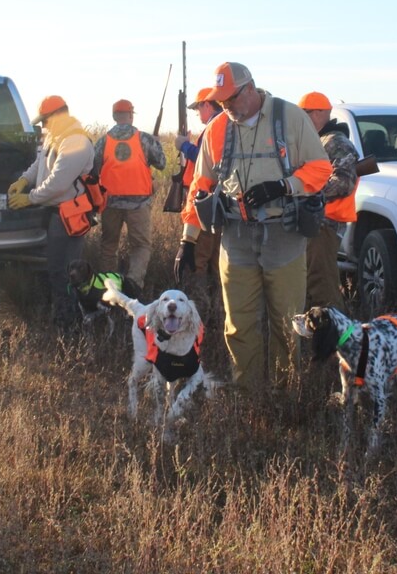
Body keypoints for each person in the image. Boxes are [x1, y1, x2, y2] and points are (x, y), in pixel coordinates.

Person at [174, 62, 332, 393]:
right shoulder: (218, 128)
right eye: (221, 100)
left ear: (250, 88)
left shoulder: (290, 118)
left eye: (231, 98)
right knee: (239, 324)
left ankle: (285, 394)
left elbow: (321, 168)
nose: (226, 106)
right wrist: (188, 240)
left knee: (286, 322)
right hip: (235, 237)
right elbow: (201, 186)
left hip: (283, 234)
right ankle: (248, 395)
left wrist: (284, 186)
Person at [7, 95, 96, 328]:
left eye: (45, 121)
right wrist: (24, 180)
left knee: (68, 272)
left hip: (68, 216)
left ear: (58, 115)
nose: (44, 126)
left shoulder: (76, 141)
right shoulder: (55, 137)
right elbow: (40, 163)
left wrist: (29, 198)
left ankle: (70, 324)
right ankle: (63, 316)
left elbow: (58, 183)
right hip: (54, 213)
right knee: (56, 269)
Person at [91, 99, 166, 291]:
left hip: (110, 203)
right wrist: (157, 144)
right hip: (139, 204)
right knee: (140, 246)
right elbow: (161, 163)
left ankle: (109, 289)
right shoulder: (144, 139)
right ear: (131, 115)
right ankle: (132, 285)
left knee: (109, 246)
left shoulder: (103, 141)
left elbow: (93, 170)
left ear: (114, 116)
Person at [297, 91, 360, 311]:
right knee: (312, 282)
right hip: (315, 221)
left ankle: (338, 330)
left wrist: (304, 192)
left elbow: (344, 182)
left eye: (303, 114)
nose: (300, 120)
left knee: (322, 286)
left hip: (325, 223)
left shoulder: (336, 142)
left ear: (318, 113)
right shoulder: (320, 141)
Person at [173, 87, 223, 323]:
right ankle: (219, 313)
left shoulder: (215, 126)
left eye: (198, 109)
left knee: (197, 262)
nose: (198, 114)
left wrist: (184, 145)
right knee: (217, 263)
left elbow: (205, 161)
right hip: (219, 207)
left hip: (205, 207)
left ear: (207, 105)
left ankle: (198, 315)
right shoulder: (226, 125)